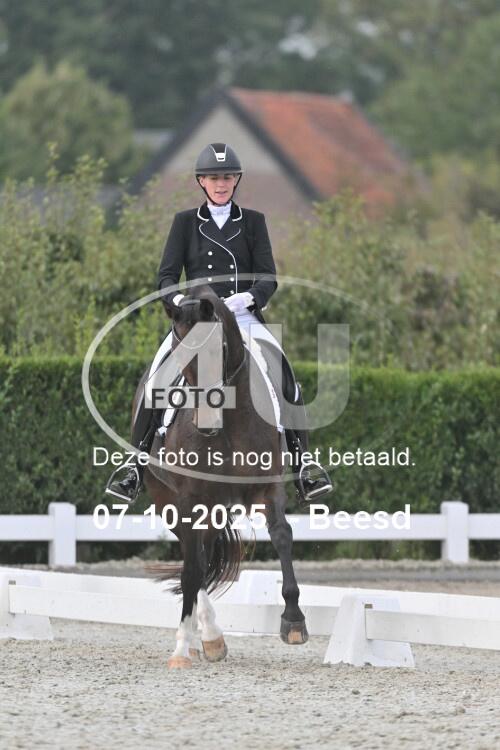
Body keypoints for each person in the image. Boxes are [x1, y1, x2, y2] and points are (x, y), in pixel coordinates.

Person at [105, 142, 333, 504]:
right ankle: (134, 465)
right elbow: (166, 277)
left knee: (284, 372)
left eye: (227, 177)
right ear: (202, 181)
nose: (221, 183)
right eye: (214, 178)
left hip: (241, 317)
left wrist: (248, 298)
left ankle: (304, 464)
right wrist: (177, 302)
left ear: (236, 180)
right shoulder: (185, 223)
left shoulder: (253, 222)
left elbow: (268, 277)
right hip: (195, 319)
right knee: (156, 379)